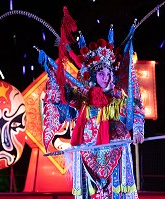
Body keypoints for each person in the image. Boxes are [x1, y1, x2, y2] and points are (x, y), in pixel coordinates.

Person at [38, 6, 145, 199]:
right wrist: (54, 73)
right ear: (94, 76)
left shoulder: (119, 96)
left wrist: (137, 130)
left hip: (115, 148)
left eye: (108, 73)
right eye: (101, 74)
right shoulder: (83, 97)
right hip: (87, 149)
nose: (105, 77)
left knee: (116, 192)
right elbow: (64, 97)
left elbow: (136, 109)